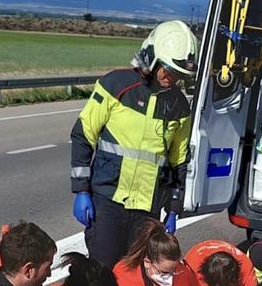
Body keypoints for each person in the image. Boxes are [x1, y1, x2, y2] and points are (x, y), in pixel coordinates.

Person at [70, 20, 198, 267]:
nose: (172, 78)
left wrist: (173, 208)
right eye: (168, 70)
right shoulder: (116, 86)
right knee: (103, 271)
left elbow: (178, 162)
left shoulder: (179, 106)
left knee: (135, 277)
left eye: (179, 74)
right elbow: (83, 136)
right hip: (108, 200)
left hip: (147, 209)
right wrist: (81, 190)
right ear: (152, 59)